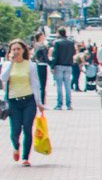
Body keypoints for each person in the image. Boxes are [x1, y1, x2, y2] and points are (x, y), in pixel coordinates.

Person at [2, 38, 46, 167]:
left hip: (28, 101)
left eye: (18, 49)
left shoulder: (30, 65)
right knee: (15, 130)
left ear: (23, 51)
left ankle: (26, 157)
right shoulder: (7, 64)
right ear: (10, 51)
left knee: (27, 128)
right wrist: (11, 63)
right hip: (13, 102)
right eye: (13, 49)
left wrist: (39, 102)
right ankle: (16, 147)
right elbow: (3, 78)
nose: (16, 51)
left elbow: (35, 84)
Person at [50, 28, 75, 110]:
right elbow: (73, 52)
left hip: (59, 65)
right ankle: (69, 104)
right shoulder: (71, 42)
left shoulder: (57, 43)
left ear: (59, 33)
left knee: (59, 86)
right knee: (68, 86)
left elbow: (55, 55)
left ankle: (59, 104)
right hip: (68, 65)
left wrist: (52, 66)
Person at [31, 31, 50, 101]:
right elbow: (45, 56)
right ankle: (42, 100)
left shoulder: (35, 45)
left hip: (37, 64)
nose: (44, 37)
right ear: (40, 37)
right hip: (42, 64)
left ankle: (39, 99)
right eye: (43, 36)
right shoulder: (42, 46)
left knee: (38, 84)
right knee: (43, 84)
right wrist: (51, 64)